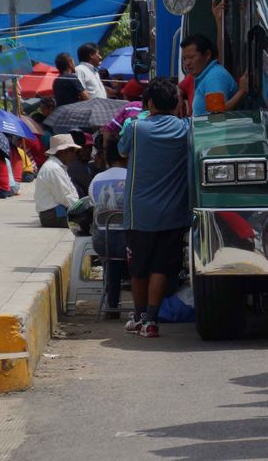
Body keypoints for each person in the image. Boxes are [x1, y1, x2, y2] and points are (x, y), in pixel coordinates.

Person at [118, 78, 192, 339]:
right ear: (176, 103)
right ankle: (151, 321)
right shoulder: (186, 128)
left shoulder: (136, 128)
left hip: (139, 213)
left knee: (139, 268)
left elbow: (122, 150)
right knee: (160, 267)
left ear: (149, 103)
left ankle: (138, 317)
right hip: (173, 214)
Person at [89, 140, 128, 319]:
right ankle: (142, 308)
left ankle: (111, 305)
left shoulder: (96, 180)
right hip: (128, 242)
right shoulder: (134, 177)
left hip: (102, 242)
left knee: (111, 262)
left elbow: (93, 205)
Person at [179, 34, 248, 116]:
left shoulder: (214, 78)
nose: (187, 63)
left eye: (191, 57)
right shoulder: (203, 75)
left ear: (207, 54)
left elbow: (216, 115)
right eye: (184, 58)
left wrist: (241, 92)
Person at [33, 134, 81, 228]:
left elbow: (70, 193)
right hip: (53, 215)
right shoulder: (54, 169)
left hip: (55, 212)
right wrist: (81, 209)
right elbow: (64, 197)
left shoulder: (58, 167)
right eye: (72, 151)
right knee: (87, 223)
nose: (74, 154)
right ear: (63, 152)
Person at [66, 131, 96, 198]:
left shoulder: (88, 164)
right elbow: (92, 189)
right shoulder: (76, 166)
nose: (88, 151)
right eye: (84, 147)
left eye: (90, 147)